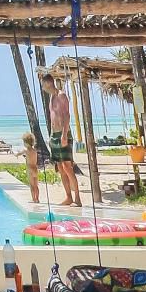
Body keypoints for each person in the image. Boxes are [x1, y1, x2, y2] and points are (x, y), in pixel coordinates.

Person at [42, 74, 83, 207]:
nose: (43, 88)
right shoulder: (51, 97)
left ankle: (77, 197)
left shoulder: (61, 95)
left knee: (67, 167)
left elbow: (66, 115)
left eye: (43, 85)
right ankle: (68, 197)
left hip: (63, 134)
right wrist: (51, 136)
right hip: (54, 135)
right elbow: (53, 118)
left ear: (49, 83)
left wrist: (64, 134)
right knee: (60, 167)